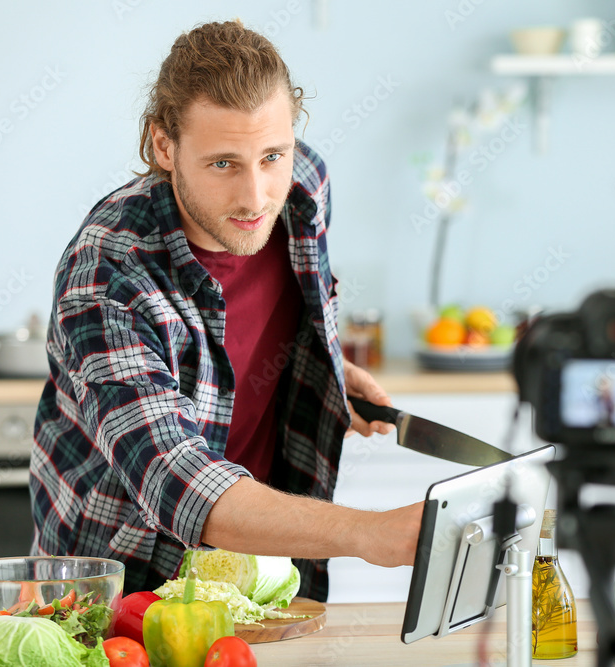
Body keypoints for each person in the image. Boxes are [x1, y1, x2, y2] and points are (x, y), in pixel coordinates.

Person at [30, 19, 422, 601]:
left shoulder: (305, 184)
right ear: (164, 145)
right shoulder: (107, 276)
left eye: (272, 155)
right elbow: (177, 478)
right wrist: (371, 533)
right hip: (120, 585)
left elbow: (289, 312)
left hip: (260, 574)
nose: (255, 197)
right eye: (223, 164)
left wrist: (331, 367)